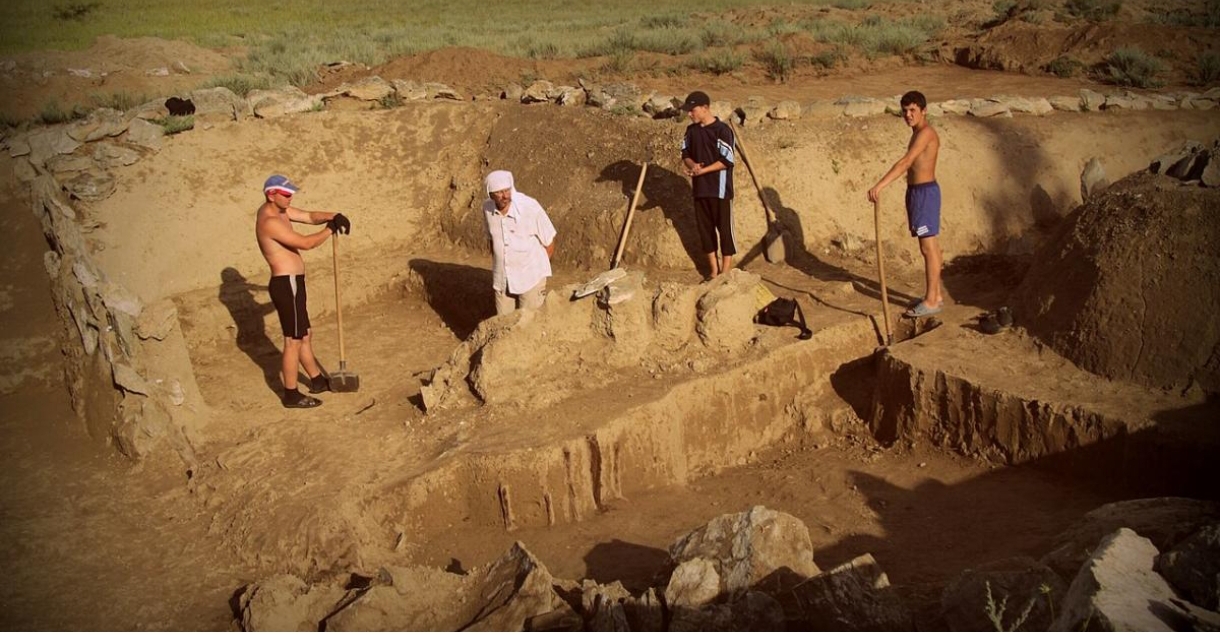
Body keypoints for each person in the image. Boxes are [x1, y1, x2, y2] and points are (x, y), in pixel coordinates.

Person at [255, 174, 351, 408]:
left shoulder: (280, 210)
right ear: (271, 195)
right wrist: (330, 230)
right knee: (293, 341)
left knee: (305, 335)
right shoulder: (270, 221)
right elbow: (305, 243)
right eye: (286, 195)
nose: (290, 198)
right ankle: (291, 394)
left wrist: (333, 216)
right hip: (287, 284)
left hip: (293, 283)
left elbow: (308, 217)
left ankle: (317, 380)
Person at [867, 90, 943, 318]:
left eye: (912, 110)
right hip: (918, 193)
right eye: (905, 111)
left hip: (925, 195)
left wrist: (880, 185)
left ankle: (931, 301)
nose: (908, 115)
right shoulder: (917, 132)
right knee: (930, 247)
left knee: (927, 248)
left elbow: (906, 162)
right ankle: (936, 296)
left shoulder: (926, 134)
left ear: (924, 111)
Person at [680, 90, 736, 281]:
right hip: (700, 190)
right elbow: (685, 153)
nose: (690, 114)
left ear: (705, 108)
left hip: (720, 191)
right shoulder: (691, 131)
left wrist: (703, 171)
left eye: (692, 110)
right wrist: (692, 165)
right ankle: (713, 271)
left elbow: (727, 160)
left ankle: (726, 271)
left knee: (725, 230)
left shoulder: (722, 131)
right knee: (706, 231)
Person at [483, 170, 557, 316]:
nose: (505, 196)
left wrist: (536, 269)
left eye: (507, 190)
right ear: (490, 195)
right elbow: (491, 238)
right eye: (499, 192)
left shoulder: (529, 207)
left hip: (531, 278)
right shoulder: (487, 209)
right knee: (503, 324)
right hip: (503, 279)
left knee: (529, 324)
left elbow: (549, 239)